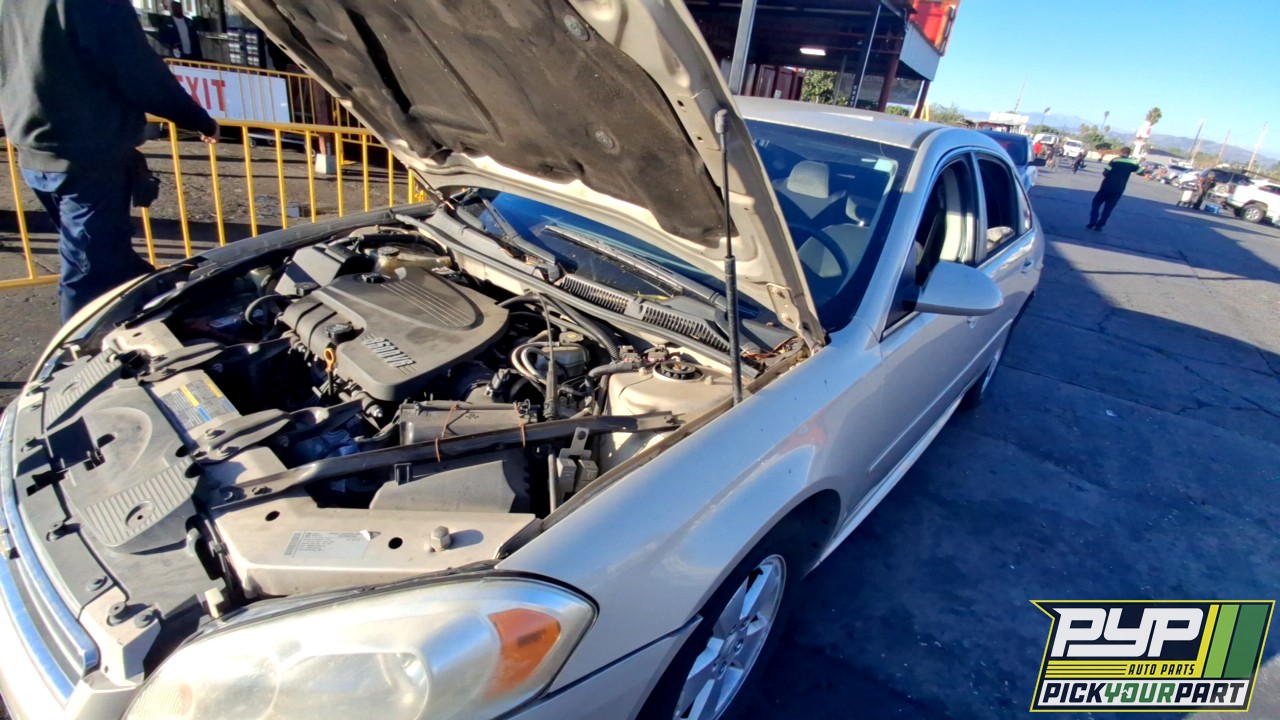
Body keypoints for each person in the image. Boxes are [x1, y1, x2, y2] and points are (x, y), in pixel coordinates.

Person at [0, 0, 219, 323]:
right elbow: (137, 70)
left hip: (35, 149)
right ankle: (72, 361)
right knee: (87, 274)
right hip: (88, 158)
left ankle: (171, 309)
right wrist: (198, 119)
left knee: (105, 258)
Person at [1086, 147, 1142, 231]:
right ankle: (1099, 225)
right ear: (1129, 153)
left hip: (1106, 186)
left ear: (1120, 152)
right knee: (1108, 208)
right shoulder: (1133, 163)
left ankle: (1092, 221)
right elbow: (1140, 172)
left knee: (1096, 203)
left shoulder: (1115, 160)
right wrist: (1137, 163)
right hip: (1119, 189)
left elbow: (1105, 172)